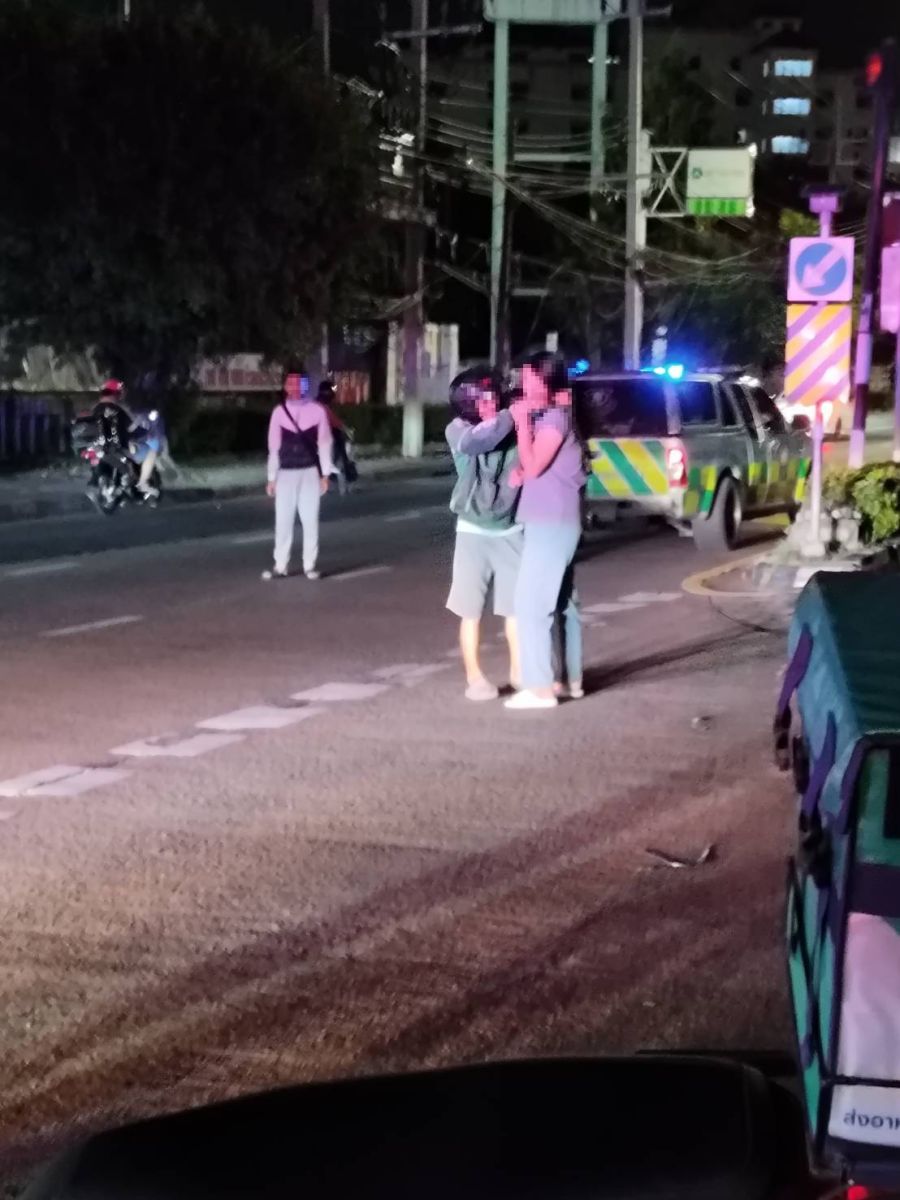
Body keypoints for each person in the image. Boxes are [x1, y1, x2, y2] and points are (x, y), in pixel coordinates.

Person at [504, 352, 585, 711]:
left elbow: (535, 465)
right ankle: (566, 679)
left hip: (551, 523)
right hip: (555, 521)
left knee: (530, 604)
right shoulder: (558, 415)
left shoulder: (553, 419)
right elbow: (539, 468)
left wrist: (522, 424)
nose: (523, 385)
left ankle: (539, 689)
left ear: (546, 380)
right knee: (560, 602)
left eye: (529, 378)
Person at [446, 369, 522, 702]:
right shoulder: (458, 430)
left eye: (493, 396)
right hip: (472, 530)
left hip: (510, 527)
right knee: (470, 610)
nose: (490, 403)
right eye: (482, 398)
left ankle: (520, 672)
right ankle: (474, 677)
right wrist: (514, 411)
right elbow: (481, 441)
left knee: (515, 609)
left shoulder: (514, 423)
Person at [263, 366, 333, 581]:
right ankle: (280, 565)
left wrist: (325, 474)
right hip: (285, 473)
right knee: (283, 521)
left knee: (310, 521)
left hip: (309, 472)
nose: (295, 387)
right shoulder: (279, 412)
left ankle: (309, 565)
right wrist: (271, 478)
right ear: (286, 386)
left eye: (299, 383)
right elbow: (274, 447)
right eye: (291, 383)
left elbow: (324, 444)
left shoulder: (317, 411)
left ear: (305, 386)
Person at [93, 380, 163, 498]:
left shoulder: (96, 409)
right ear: (117, 394)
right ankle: (142, 483)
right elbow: (130, 429)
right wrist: (145, 432)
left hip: (99, 446)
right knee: (150, 451)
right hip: (118, 447)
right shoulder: (118, 410)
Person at [317, 379, 356, 495]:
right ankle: (343, 482)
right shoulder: (323, 407)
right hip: (326, 440)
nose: (333, 394)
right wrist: (347, 430)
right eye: (332, 391)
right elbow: (336, 422)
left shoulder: (317, 405)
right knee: (340, 458)